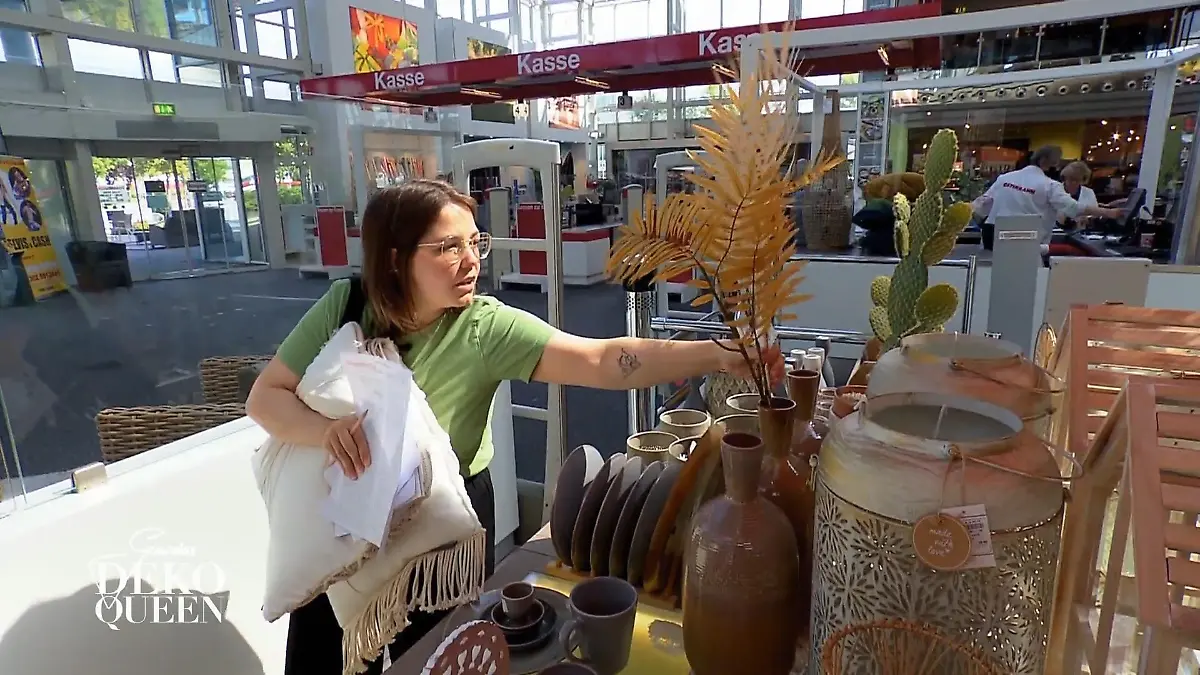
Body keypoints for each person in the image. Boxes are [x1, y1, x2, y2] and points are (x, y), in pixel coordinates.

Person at [246, 179, 784, 675]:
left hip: (440, 522)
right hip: (343, 513)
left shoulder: (485, 327)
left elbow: (602, 359)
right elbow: (265, 398)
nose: (469, 261)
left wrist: (718, 354)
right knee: (324, 659)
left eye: (474, 243)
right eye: (447, 247)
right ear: (394, 258)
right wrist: (325, 432)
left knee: (439, 657)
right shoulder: (346, 304)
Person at [972, 146, 1122, 250]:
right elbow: (1074, 208)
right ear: (1046, 162)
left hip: (992, 239)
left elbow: (982, 205)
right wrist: (1110, 213)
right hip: (1026, 245)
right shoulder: (1050, 185)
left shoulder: (1004, 178)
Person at [1057, 161, 1101, 231]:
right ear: (1064, 178)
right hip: (1057, 232)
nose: (1074, 183)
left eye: (1077, 180)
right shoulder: (1055, 190)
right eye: (1071, 179)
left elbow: (1095, 214)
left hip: (1081, 232)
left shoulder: (1089, 192)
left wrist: (1087, 219)